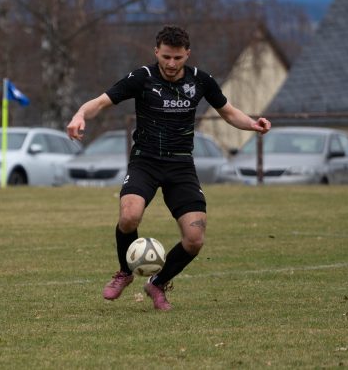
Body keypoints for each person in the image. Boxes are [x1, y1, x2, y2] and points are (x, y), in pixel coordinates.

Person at [66, 25, 271, 311]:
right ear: (156, 52)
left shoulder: (201, 80)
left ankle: (158, 283)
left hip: (180, 165)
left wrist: (252, 123)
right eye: (166, 57)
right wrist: (79, 115)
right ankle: (125, 271)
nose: (171, 64)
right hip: (145, 161)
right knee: (129, 216)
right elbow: (100, 103)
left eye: (177, 57)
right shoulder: (142, 77)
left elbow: (227, 112)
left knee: (195, 238)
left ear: (187, 54)